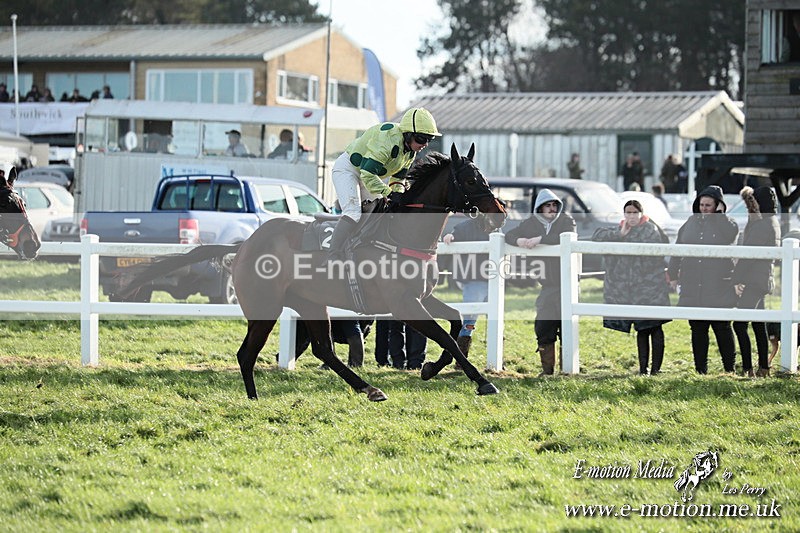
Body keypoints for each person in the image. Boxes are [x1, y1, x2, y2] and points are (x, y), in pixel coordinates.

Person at [325, 107, 441, 262]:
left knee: (381, 210)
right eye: (421, 139)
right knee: (353, 213)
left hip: (368, 176)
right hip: (349, 170)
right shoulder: (387, 141)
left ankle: (359, 248)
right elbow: (367, 173)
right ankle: (332, 256)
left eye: (429, 139)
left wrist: (398, 195)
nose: (425, 144)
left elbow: (398, 179)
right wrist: (389, 193)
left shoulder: (410, 152)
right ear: (408, 134)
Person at [592, 200, 671, 375]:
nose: (631, 216)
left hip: (651, 288)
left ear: (641, 213)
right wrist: (619, 234)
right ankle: (643, 369)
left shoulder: (650, 230)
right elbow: (596, 236)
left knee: (655, 327)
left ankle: (656, 369)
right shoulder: (620, 229)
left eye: (635, 212)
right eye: (628, 212)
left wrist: (621, 237)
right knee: (641, 329)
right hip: (633, 291)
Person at [668, 186, 739, 374]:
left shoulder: (728, 223)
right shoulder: (690, 223)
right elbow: (678, 249)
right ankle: (701, 370)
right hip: (693, 284)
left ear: (718, 205)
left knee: (722, 327)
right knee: (698, 328)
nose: (704, 208)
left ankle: (729, 370)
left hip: (718, 284)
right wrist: (673, 274)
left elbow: (731, 234)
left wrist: (720, 216)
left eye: (708, 205)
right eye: (702, 205)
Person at [504, 190, 576, 375]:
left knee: (566, 326)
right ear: (540, 208)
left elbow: (568, 236)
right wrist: (519, 240)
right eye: (547, 205)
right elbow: (509, 235)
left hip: (567, 284)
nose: (552, 209)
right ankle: (547, 371)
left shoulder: (566, 220)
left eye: (554, 205)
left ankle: (567, 370)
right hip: (547, 284)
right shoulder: (530, 223)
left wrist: (541, 240)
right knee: (543, 325)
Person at [732, 186, 780, 377]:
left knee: (739, 325)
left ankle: (748, 368)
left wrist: (736, 279)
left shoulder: (761, 224)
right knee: (758, 324)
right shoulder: (770, 220)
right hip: (761, 278)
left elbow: (749, 255)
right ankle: (763, 367)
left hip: (754, 280)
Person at [442, 218, 491, 366]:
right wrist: (450, 236)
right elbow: (455, 235)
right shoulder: (466, 226)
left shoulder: (497, 227)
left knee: (496, 321)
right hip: (474, 279)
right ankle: (461, 361)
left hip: (494, 280)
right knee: (469, 321)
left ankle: (495, 359)